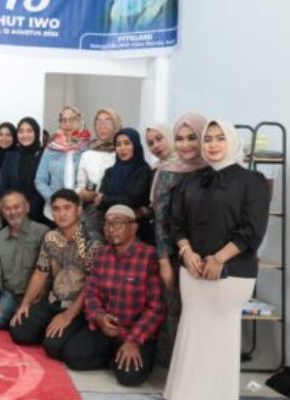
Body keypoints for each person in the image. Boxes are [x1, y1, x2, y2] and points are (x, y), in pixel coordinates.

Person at [164, 120, 270, 400]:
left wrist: (219, 259)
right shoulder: (190, 181)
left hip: (233, 272)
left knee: (220, 337)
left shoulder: (253, 181)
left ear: (232, 141)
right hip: (192, 270)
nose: (212, 144)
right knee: (192, 332)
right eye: (208, 139)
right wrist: (187, 252)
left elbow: (253, 230)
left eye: (219, 138)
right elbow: (176, 223)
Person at [64, 205, 164, 387]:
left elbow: (156, 308)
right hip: (106, 328)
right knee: (72, 356)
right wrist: (99, 317)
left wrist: (133, 341)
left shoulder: (149, 256)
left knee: (130, 377)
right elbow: (91, 293)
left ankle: (124, 358)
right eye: (107, 224)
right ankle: (113, 358)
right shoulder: (101, 255)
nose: (111, 229)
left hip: (136, 332)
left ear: (133, 227)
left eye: (118, 224)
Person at [9, 190, 102, 356]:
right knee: (19, 330)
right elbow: (40, 273)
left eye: (67, 208)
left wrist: (68, 315)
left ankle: (68, 332)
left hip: (78, 308)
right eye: (56, 209)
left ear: (79, 210)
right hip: (54, 301)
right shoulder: (50, 237)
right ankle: (52, 328)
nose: (62, 214)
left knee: (53, 346)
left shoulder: (93, 242)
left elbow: (91, 286)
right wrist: (25, 303)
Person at [149, 113, 207, 366]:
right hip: (174, 253)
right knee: (174, 309)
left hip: (208, 253)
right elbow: (161, 219)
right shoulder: (168, 172)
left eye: (192, 138)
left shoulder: (212, 169)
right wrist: (163, 260)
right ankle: (176, 367)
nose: (185, 144)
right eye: (179, 139)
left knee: (201, 313)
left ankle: (199, 365)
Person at [0, 191, 49, 329]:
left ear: (27, 207)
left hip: (37, 294)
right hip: (11, 294)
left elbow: (48, 270)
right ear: (2, 212)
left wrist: (41, 292)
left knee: (25, 327)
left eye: (16, 207)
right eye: (7, 208)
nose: (12, 212)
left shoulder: (43, 232)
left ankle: (18, 316)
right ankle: (14, 313)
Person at [95, 128, 153, 243]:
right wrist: (110, 200)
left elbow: (133, 200)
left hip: (137, 231)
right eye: (118, 144)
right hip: (110, 230)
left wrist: (106, 199)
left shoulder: (144, 170)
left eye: (127, 143)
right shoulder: (110, 172)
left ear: (136, 145)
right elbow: (99, 204)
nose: (122, 148)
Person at [35, 106, 91, 225]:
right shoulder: (51, 148)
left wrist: (75, 201)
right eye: (63, 120)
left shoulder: (87, 149)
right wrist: (54, 200)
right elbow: (40, 180)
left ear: (79, 121)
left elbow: (90, 182)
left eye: (72, 119)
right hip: (53, 213)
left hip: (79, 212)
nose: (67, 124)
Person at [76, 108, 120, 234]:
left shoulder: (122, 151)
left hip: (117, 212)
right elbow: (80, 186)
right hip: (92, 213)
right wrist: (84, 193)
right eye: (99, 122)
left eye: (107, 121)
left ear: (116, 125)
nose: (102, 126)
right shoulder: (87, 154)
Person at [0, 117, 46, 224]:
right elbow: (3, 185)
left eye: (29, 131)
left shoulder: (44, 155)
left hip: (38, 215)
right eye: (21, 131)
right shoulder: (10, 155)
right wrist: (13, 207)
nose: (25, 135)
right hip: (12, 214)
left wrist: (30, 208)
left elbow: (44, 185)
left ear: (36, 133)